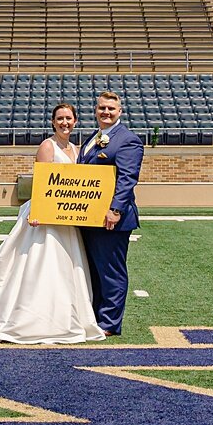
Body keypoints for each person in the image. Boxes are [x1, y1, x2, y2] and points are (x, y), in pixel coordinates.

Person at [0, 103, 105, 344]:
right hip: (46, 215)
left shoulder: (77, 149)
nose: (64, 123)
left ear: (75, 121)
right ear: (53, 122)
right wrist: (40, 211)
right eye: (60, 118)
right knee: (40, 263)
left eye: (69, 118)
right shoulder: (47, 146)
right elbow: (42, 182)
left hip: (67, 218)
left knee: (65, 265)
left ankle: (63, 317)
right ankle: (30, 318)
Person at [78, 89, 142, 337]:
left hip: (112, 219)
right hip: (90, 217)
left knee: (111, 271)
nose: (105, 112)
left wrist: (115, 209)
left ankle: (109, 323)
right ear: (96, 110)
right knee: (93, 269)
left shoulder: (127, 139)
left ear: (120, 112)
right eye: (101, 108)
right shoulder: (93, 138)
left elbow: (127, 179)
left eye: (110, 109)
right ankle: (95, 316)